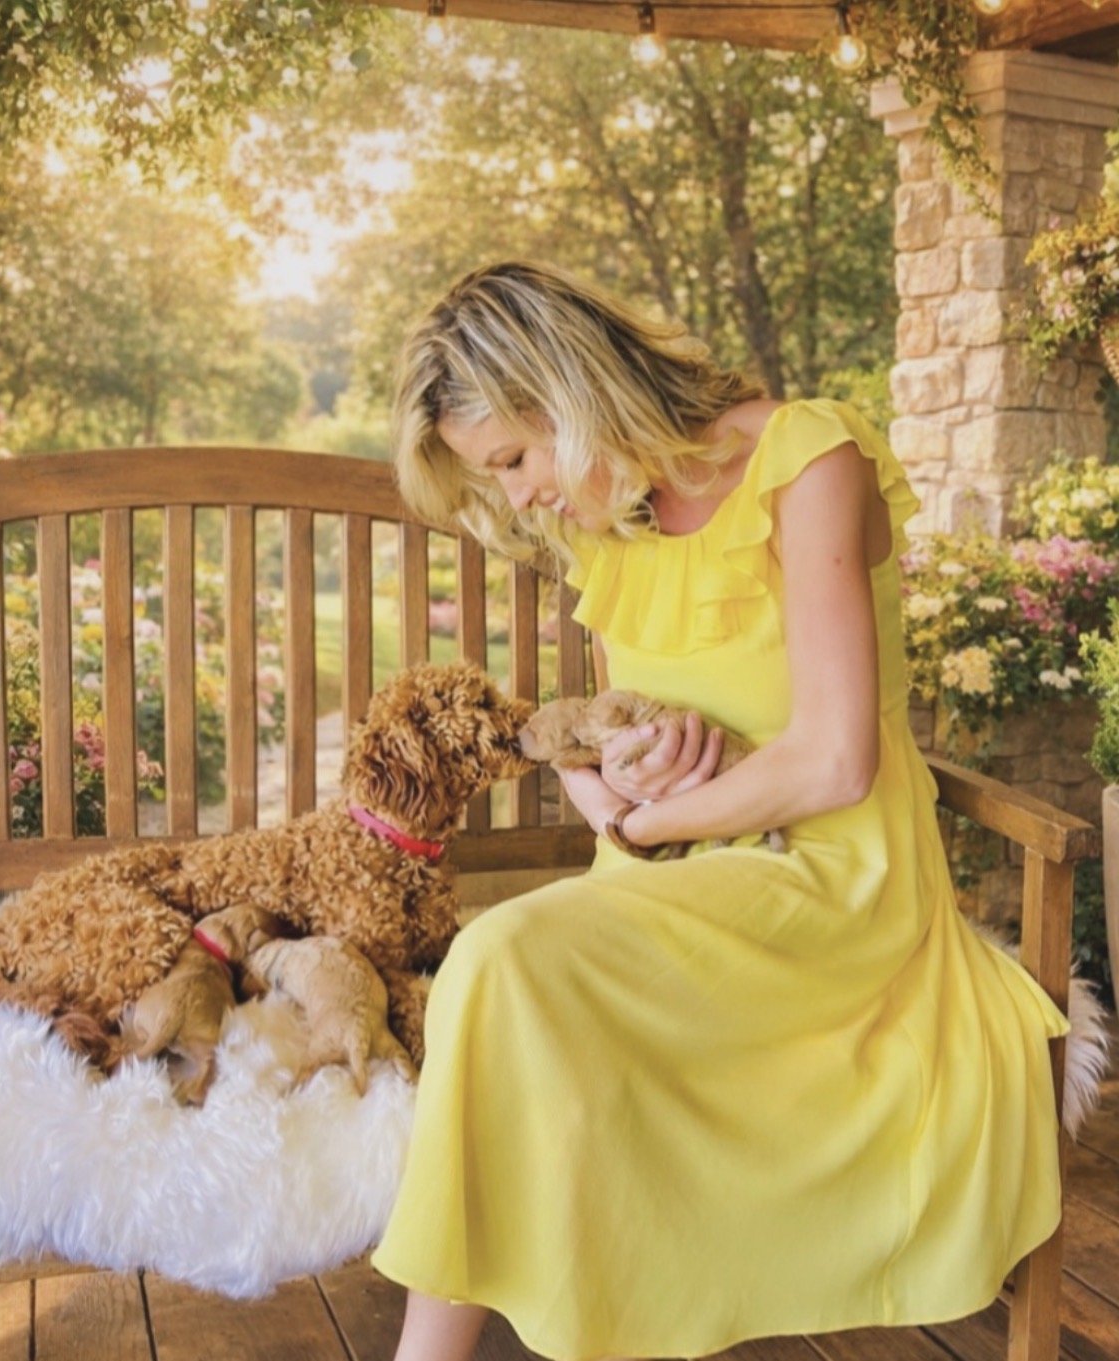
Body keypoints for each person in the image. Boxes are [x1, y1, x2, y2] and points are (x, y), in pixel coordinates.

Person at [367, 259, 1071, 1361]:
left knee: (498, 960)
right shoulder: (615, 518)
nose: (518, 496)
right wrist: (608, 786)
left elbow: (836, 760)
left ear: (571, 386)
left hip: (835, 883)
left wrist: (649, 825)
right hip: (670, 879)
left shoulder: (806, 459)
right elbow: (612, 741)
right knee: (514, 985)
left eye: (513, 456)